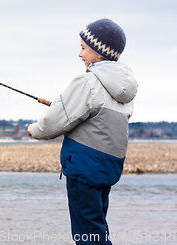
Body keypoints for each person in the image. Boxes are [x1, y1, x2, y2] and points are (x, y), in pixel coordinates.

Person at [27, 18, 138, 245]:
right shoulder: (123, 92)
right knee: (97, 226)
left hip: (85, 168)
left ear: (99, 53)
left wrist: (35, 130)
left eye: (83, 48)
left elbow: (55, 122)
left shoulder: (87, 82)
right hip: (107, 168)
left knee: (87, 234)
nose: (80, 54)